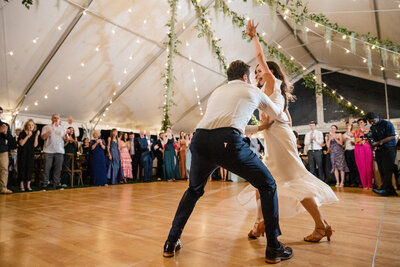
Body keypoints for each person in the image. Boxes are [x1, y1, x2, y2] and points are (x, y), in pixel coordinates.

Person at [163, 58, 294, 264]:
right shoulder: (251, 90)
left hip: (200, 140)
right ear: (245, 77)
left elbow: (223, 122)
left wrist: (257, 129)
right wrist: (278, 95)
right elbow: (276, 113)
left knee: (193, 191)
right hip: (227, 142)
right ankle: (273, 247)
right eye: (251, 76)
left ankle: (171, 241)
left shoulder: (218, 92)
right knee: (267, 184)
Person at [241, 20, 337, 244]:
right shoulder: (267, 93)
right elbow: (285, 117)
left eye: (260, 70)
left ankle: (320, 226)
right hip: (274, 139)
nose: (258, 73)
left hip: (279, 140)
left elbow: (261, 59)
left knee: (293, 182)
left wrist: (254, 37)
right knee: (263, 182)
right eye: (256, 72)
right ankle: (261, 224)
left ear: (271, 72)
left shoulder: (272, 83)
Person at [366, 112, 398, 196]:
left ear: (378, 117)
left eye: (373, 121)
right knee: (381, 170)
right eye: (370, 122)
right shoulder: (373, 127)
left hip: (389, 149)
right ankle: (390, 190)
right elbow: (373, 139)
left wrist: (378, 143)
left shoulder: (387, 124)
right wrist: (373, 145)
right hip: (379, 150)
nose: (372, 123)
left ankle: (385, 189)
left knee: (387, 170)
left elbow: (392, 136)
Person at [41, 114, 68, 190]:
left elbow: (66, 140)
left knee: (58, 168)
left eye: (57, 118)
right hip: (48, 151)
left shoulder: (63, 128)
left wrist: (66, 136)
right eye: (54, 118)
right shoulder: (46, 127)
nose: (56, 119)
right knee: (47, 168)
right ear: (51, 119)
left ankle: (56, 184)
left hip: (59, 151)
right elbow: (43, 137)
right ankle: (45, 184)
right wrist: (52, 129)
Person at [17, 120, 40, 191]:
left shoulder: (33, 134)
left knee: (29, 169)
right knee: (22, 169)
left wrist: (36, 136)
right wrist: (27, 136)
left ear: (34, 126)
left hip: (30, 154)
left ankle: (28, 185)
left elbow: (35, 145)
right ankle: (21, 186)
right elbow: (21, 143)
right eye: (29, 125)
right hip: (22, 154)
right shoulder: (22, 133)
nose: (31, 126)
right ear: (26, 126)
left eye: (32, 125)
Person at [354, 118, 373, 189]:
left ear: (365, 123)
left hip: (367, 148)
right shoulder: (356, 131)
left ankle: (370, 184)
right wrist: (349, 126)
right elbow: (355, 139)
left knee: (369, 166)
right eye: (358, 123)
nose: (360, 124)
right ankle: (364, 185)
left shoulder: (368, 130)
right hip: (358, 148)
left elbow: (371, 139)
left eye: (361, 122)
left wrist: (365, 139)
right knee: (361, 166)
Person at [0, 107, 15, 194]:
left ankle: (3, 188)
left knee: (4, 169)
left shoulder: (5, 125)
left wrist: (5, 133)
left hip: (3, 150)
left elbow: (10, 138)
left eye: (0, 112)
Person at [343, 121, 360, 187]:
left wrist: (354, 142)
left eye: (349, 125)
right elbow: (343, 143)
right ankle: (352, 181)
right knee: (350, 167)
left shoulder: (355, 133)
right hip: (347, 151)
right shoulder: (344, 134)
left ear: (352, 126)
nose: (348, 126)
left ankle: (358, 181)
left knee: (356, 166)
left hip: (354, 150)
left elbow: (359, 141)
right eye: (347, 125)